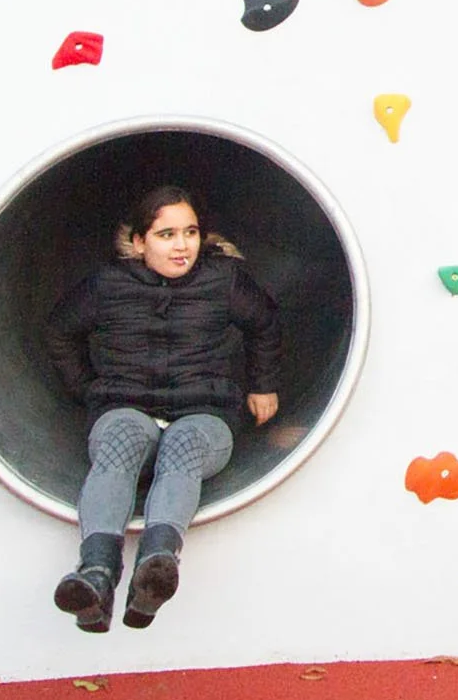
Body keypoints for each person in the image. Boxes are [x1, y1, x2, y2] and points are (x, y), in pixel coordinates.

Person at [44, 185, 282, 632]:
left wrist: (262, 385)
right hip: (124, 407)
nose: (181, 246)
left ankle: (156, 566)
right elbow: (60, 331)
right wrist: (86, 390)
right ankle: (96, 573)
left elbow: (265, 323)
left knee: (185, 447)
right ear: (138, 242)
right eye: (166, 234)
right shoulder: (106, 285)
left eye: (190, 233)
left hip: (204, 412)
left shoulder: (223, 280)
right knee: (121, 442)